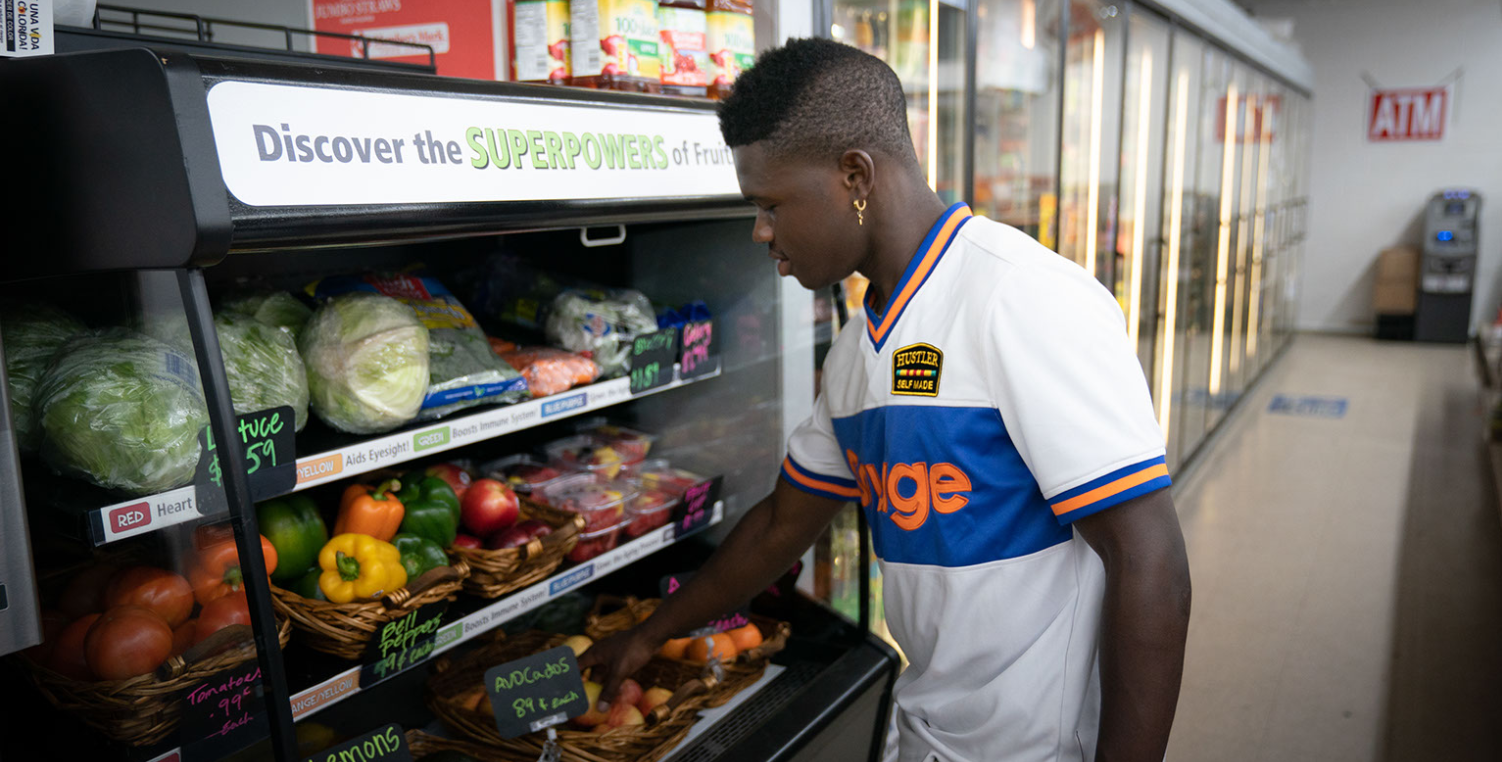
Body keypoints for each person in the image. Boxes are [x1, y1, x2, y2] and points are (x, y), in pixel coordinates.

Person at [580, 38, 1192, 762]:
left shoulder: (1022, 298)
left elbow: (1149, 555)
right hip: (924, 730)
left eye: (771, 204)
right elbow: (780, 525)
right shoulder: (855, 354)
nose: (761, 232)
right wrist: (648, 635)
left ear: (855, 176)